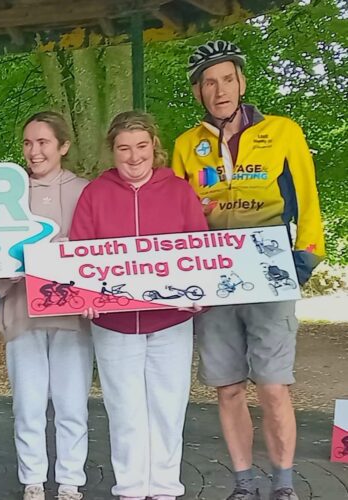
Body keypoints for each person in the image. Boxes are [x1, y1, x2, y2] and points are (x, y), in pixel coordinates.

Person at [172, 40, 326, 500]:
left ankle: (283, 483)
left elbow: (308, 196)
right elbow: (178, 217)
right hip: (214, 269)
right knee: (227, 387)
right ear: (199, 92)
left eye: (227, 78)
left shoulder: (283, 132)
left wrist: (304, 259)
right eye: (208, 82)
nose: (219, 89)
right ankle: (243, 483)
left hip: (270, 261)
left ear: (241, 82)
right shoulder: (186, 145)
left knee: (274, 386)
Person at [70, 111, 208, 500]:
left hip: (171, 320)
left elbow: (200, 250)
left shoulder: (179, 191)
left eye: (142, 147)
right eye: (124, 149)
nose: (134, 157)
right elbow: (79, 254)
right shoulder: (94, 193)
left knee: (168, 406)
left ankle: (165, 489)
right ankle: (130, 488)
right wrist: (85, 296)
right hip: (114, 324)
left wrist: (201, 294)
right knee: (124, 411)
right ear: (112, 152)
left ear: (154, 147)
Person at [0, 111, 92, 500]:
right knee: (28, 404)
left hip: (72, 315)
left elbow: (95, 250)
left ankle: (70, 481)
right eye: (28, 143)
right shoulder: (9, 194)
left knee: (71, 403)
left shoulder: (85, 191)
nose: (34, 151)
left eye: (43, 142)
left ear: (63, 146)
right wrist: (5, 272)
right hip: (22, 310)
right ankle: (32, 480)